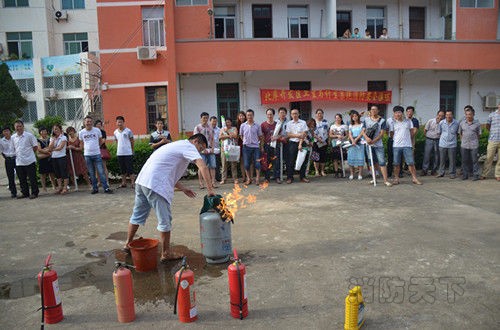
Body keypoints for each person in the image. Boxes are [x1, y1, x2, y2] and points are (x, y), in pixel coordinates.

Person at [124, 134, 215, 263]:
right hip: (155, 184)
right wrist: (210, 190)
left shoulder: (176, 145)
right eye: (200, 148)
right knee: (165, 219)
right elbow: (203, 167)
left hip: (142, 181)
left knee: (137, 215)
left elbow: (165, 170)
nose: (199, 152)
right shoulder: (188, 146)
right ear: (195, 141)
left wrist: (183, 188)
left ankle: (128, 243)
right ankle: (166, 253)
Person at [79, 116, 113, 194]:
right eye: (87, 121)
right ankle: (95, 188)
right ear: (84, 123)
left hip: (97, 154)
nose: (89, 123)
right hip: (87, 155)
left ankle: (106, 188)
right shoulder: (81, 132)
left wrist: (95, 147)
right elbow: (81, 143)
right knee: (91, 173)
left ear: (92, 122)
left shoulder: (97, 130)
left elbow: (100, 141)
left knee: (101, 172)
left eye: (90, 121)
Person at [389, 106, 422, 185]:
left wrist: (406, 139)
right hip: (396, 145)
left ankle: (414, 178)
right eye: (396, 113)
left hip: (407, 145)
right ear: (394, 114)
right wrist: (397, 139)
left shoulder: (408, 121)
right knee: (396, 163)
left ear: (402, 113)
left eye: (399, 112)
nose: (398, 114)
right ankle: (396, 178)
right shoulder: (392, 122)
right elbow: (391, 134)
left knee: (411, 162)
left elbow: (411, 131)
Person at [362, 105, 392, 186]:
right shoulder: (366, 120)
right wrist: (367, 139)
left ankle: (385, 180)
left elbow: (382, 134)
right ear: (370, 111)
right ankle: (374, 178)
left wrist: (373, 141)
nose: (373, 111)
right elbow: (363, 131)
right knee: (371, 162)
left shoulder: (382, 121)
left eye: (375, 109)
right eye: (372, 109)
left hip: (378, 145)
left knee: (382, 162)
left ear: (378, 111)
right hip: (368, 144)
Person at [12, 120, 39, 199]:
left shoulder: (29, 136)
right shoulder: (13, 137)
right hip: (19, 161)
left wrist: (29, 154)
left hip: (29, 161)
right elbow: (14, 148)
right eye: (17, 126)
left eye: (20, 126)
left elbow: (35, 147)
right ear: (14, 127)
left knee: (32, 178)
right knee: (22, 179)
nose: (18, 128)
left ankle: (34, 193)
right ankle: (25, 193)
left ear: (23, 127)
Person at [240, 109, 263, 185]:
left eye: (251, 115)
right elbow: (241, 135)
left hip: (256, 147)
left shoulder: (257, 125)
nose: (249, 116)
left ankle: (257, 179)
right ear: (246, 116)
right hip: (246, 147)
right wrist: (244, 141)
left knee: (257, 164)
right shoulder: (243, 125)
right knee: (246, 164)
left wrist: (260, 145)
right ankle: (249, 179)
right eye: (248, 115)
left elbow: (260, 136)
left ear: (253, 116)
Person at [193, 112, 216, 189]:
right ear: (201, 118)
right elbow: (196, 140)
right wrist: (203, 148)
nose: (205, 120)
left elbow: (212, 138)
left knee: (212, 166)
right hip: (201, 150)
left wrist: (212, 147)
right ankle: (201, 183)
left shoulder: (210, 127)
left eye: (207, 118)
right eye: (204, 118)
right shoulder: (197, 128)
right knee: (201, 166)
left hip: (210, 149)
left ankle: (213, 182)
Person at [286, 109, 309, 184]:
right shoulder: (289, 123)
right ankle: (290, 177)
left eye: (296, 113)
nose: (294, 115)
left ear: (299, 114)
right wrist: (298, 135)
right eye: (293, 114)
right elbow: (289, 135)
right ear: (291, 115)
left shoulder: (303, 122)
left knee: (303, 160)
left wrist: (300, 144)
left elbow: (304, 133)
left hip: (302, 142)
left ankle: (302, 177)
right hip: (292, 143)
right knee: (291, 161)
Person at [459, 108, 481, 181]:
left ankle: (476, 175)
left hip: (474, 145)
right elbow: (460, 133)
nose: (468, 116)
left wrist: (475, 141)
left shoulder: (477, 124)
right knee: (464, 161)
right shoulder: (462, 123)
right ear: (465, 115)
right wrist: (463, 140)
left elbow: (479, 135)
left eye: (470, 114)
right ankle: (465, 175)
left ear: (473, 115)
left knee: (474, 161)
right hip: (464, 145)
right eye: (467, 114)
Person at [114, 116, 136, 188]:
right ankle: (124, 183)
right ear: (116, 123)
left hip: (128, 153)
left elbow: (132, 141)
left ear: (123, 122)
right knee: (122, 169)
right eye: (118, 122)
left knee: (130, 169)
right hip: (120, 153)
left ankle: (133, 183)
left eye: (121, 122)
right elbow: (117, 141)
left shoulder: (128, 131)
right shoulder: (115, 132)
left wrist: (132, 150)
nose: (119, 123)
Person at [437, 110, 459, 179]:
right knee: (442, 160)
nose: (448, 116)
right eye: (447, 115)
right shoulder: (441, 123)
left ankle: (452, 173)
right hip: (442, 144)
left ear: (452, 115)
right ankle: (441, 173)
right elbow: (439, 132)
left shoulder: (457, 123)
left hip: (452, 144)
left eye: (450, 115)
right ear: (445, 116)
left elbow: (458, 133)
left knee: (452, 160)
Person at [422, 110, 445, 176]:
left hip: (438, 140)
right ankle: (424, 170)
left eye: (442, 116)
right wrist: (427, 137)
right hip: (429, 140)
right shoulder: (430, 121)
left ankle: (434, 170)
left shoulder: (443, 123)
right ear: (437, 115)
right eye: (439, 115)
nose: (440, 117)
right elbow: (425, 130)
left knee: (436, 156)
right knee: (427, 155)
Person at [480, 104, 500, 181]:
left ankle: (498, 174)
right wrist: (492, 132)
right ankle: (484, 174)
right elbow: (488, 125)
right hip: (493, 140)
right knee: (489, 157)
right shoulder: (492, 115)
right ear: (498, 105)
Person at [48, 124, 69, 195]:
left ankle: (65, 188)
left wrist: (52, 149)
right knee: (57, 174)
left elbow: (60, 147)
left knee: (64, 173)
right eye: (54, 129)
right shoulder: (52, 138)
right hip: (54, 157)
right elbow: (49, 147)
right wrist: (53, 139)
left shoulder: (63, 138)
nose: (55, 130)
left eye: (56, 129)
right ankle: (60, 187)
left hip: (61, 157)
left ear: (60, 129)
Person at [261, 108, 279, 183]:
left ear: (273, 115)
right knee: (266, 162)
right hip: (267, 145)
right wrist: (261, 146)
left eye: (271, 114)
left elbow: (280, 135)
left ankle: (277, 177)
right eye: (268, 114)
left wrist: (276, 137)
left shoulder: (277, 124)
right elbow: (262, 136)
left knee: (276, 162)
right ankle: (267, 178)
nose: (269, 116)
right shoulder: (263, 125)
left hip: (275, 146)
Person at [219, 117, 239, 184]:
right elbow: (220, 137)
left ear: (231, 122)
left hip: (232, 148)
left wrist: (227, 132)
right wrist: (228, 136)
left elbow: (235, 135)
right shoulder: (222, 129)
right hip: (224, 149)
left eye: (228, 122)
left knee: (233, 165)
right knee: (224, 165)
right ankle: (223, 179)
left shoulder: (234, 128)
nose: (227, 123)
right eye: (226, 122)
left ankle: (235, 179)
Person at [36, 127, 56, 192]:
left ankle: (54, 186)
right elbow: (39, 150)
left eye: (45, 131)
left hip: (49, 158)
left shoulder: (50, 139)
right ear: (40, 132)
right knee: (43, 174)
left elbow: (52, 147)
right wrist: (48, 152)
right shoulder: (38, 140)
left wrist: (45, 150)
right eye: (42, 131)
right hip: (43, 160)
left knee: (52, 173)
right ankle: (44, 188)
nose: (44, 132)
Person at [347, 110, 365, 180]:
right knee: (351, 158)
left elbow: (362, 133)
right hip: (352, 144)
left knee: (360, 158)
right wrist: (352, 141)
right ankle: (351, 174)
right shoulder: (350, 125)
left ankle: (360, 174)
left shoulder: (362, 124)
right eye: (353, 116)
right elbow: (350, 134)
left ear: (358, 116)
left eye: (355, 116)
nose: (354, 117)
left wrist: (356, 140)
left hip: (360, 144)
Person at [329, 114, 348, 178]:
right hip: (335, 143)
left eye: (339, 118)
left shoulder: (344, 126)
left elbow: (347, 135)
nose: (337, 119)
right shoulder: (332, 126)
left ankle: (342, 171)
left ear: (341, 119)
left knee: (341, 158)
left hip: (342, 143)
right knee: (335, 159)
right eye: (336, 118)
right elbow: (330, 135)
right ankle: (336, 172)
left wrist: (343, 137)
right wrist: (337, 136)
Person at [0, 127, 17, 198]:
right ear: (2, 133)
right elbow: (1, 151)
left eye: (7, 131)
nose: (6, 132)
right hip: (8, 160)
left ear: (10, 131)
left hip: (16, 158)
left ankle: (24, 190)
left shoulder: (14, 138)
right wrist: (7, 158)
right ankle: (13, 192)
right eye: (4, 131)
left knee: (21, 174)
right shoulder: (1, 141)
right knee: (10, 176)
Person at [313, 109, 329, 177]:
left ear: (323, 114)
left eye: (321, 113)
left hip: (324, 142)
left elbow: (328, 131)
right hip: (316, 142)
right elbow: (311, 132)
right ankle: (316, 171)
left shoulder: (326, 122)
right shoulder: (313, 122)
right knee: (316, 157)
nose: (319, 114)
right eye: (318, 113)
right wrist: (318, 138)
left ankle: (322, 171)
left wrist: (328, 140)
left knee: (323, 157)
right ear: (316, 114)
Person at [275, 107, 289, 182]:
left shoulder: (289, 122)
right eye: (281, 112)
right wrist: (279, 138)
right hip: (278, 142)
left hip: (286, 142)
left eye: (283, 112)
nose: (282, 114)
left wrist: (285, 138)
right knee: (277, 160)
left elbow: (290, 132)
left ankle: (288, 176)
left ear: (286, 114)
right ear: (278, 113)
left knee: (287, 159)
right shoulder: (275, 122)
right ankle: (277, 176)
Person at [94, 120, 110, 185]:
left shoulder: (103, 132)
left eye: (100, 124)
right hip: (95, 151)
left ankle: (106, 181)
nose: (98, 125)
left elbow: (103, 141)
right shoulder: (93, 132)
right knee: (96, 167)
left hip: (102, 150)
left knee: (104, 166)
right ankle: (99, 182)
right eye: (97, 124)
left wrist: (96, 145)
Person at [210, 116, 222, 183]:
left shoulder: (219, 129)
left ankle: (217, 177)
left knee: (217, 164)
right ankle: (211, 178)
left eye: (215, 121)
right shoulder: (208, 129)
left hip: (217, 148)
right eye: (213, 121)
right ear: (210, 121)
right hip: (210, 149)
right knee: (211, 165)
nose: (214, 123)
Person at [236, 111, 248, 182]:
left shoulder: (248, 123)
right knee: (242, 161)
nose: (241, 117)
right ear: (238, 117)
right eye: (240, 116)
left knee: (249, 161)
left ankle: (249, 176)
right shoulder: (236, 125)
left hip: (248, 144)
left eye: (243, 116)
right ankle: (244, 177)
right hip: (239, 144)